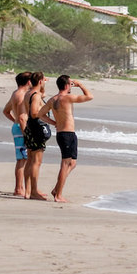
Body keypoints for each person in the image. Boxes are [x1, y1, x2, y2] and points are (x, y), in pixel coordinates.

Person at [36, 74, 92, 203]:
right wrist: (80, 85)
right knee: (65, 164)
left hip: (66, 133)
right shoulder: (67, 98)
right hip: (66, 134)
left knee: (72, 163)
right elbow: (89, 96)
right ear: (67, 85)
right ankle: (58, 195)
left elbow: (40, 114)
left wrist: (54, 122)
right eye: (70, 84)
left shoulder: (52, 99)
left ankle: (57, 189)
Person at [2, 71, 31, 197]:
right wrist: (25, 131)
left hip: (18, 126)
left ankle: (22, 188)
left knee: (24, 158)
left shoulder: (16, 93)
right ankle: (19, 188)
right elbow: (21, 117)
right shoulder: (21, 95)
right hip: (21, 128)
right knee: (22, 159)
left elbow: (6, 111)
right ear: (28, 82)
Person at [22, 71, 51, 200]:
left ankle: (28, 190)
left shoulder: (28, 93)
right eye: (43, 80)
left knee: (30, 160)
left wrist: (42, 84)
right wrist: (47, 116)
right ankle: (33, 191)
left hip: (29, 127)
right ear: (40, 81)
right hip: (36, 128)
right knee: (36, 162)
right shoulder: (36, 95)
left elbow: (41, 94)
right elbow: (34, 113)